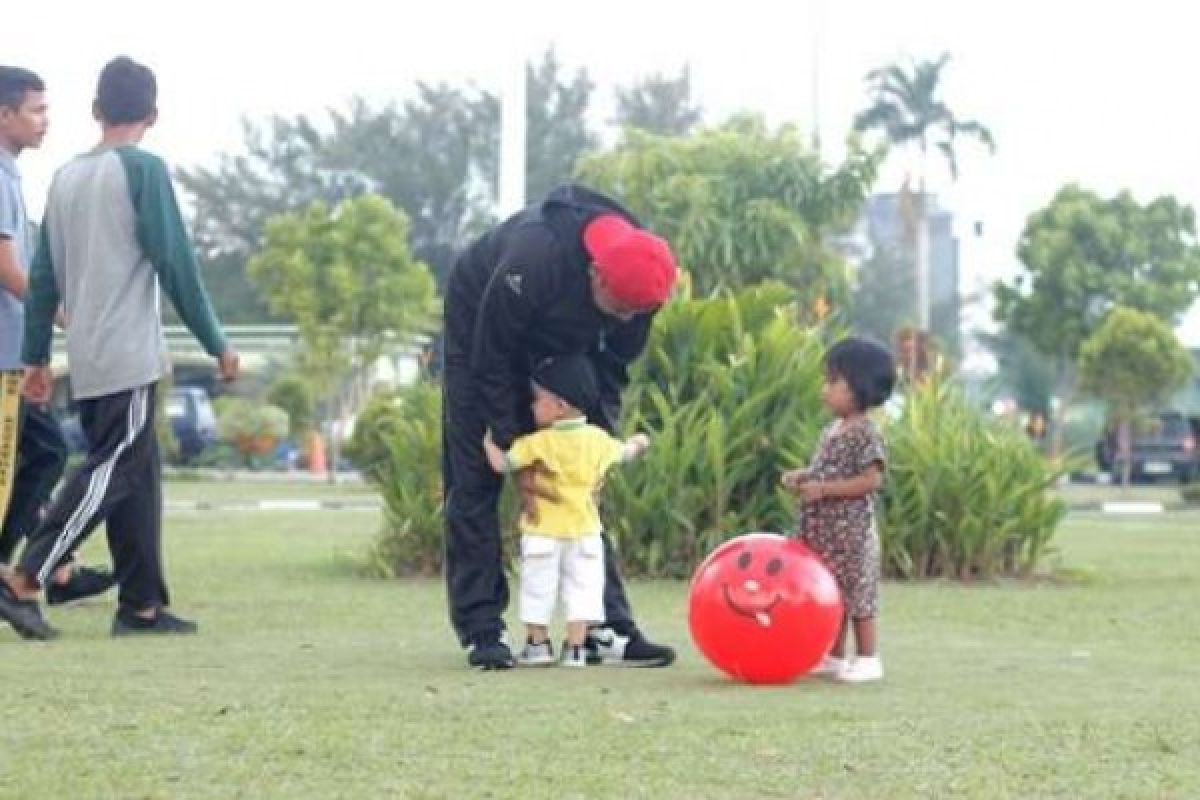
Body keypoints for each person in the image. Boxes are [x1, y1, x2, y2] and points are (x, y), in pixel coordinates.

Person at [0, 56, 239, 641]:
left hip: (84, 355)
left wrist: (35, 359)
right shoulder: (144, 171)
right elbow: (177, 265)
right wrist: (217, 343)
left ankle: (141, 606)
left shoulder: (65, 179)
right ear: (152, 115)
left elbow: (46, 282)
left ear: (96, 111)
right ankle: (27, 573)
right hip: (128, 352)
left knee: (138, 472)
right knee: (111, 465)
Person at [443, 183, 677, 670]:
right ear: (596, 274)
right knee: (474, 475)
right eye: (620, 311)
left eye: (637, 313)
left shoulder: (641, 280)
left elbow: (613, 367)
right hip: (481, 321)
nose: (628, 320)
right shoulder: (537, 256)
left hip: (562, 334)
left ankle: (604, 628)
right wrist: (513, 444)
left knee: (581, 482)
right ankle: (482, 628)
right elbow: (492, 356)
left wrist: (596, 441)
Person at [0, 65, 114, 603]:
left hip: (14, 350)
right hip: (3, 355)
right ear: (5, 116)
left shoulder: (12, 175)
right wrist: (65, 316)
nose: (46, 121)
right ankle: (16, 570)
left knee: (40, 456)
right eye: (36, 110)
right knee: (40, 457)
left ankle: (56, 570)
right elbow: (10, 271)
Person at [482, 355, 650, 667]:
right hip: (586, 531)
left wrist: (488, 440)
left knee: (537, 588)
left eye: (537, 400)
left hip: (543, 531)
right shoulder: (598, 440)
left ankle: (538, 644)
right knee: (584, 589)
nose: (532, 406)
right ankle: (575, 649)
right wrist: (640, 442)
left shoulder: (539, 443)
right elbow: (626, 453)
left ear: (559, 405)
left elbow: (503, 464)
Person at [781, 336, 896, 683]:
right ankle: (832, 655)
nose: (825, 390)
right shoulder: (832, 430)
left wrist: (825, 490)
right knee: (831, 593)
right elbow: (827, 469)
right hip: (825, 532)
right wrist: (804, 476)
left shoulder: (865, 433)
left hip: (852, 533)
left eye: (834, 382)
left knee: (858, 595)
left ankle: (867, 657)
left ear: (860, 388)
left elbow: (870, 479)